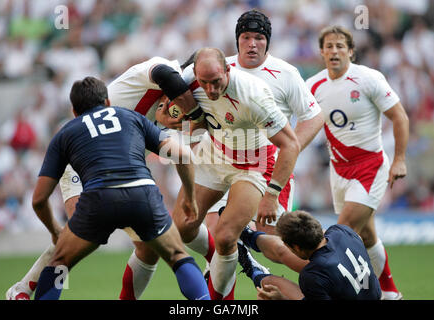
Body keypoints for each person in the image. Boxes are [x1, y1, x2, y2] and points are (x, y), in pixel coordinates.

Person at [5, 56, 201, 300]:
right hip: (85, 162)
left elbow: (39, 199)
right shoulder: (165, 72)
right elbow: (163, 78)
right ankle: (23, 289)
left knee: (140, 248)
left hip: (111, 170)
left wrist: (169, 123)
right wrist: (194, 113)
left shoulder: (161, 103)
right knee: (72, 239)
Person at [169, 47, 300, 300]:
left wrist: (271, 194)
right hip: (216, 153)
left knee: (226, 236)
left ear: (228, 70)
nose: (211, 90)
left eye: (216, 82)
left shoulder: (252, 93)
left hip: (254, 163)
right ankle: (233, 254)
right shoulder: (186, 81)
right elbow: (172, 108)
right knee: (183, 227)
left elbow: (290, 144)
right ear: (194, 74)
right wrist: (183, 125)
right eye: (204, 83)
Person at [305, 25, 409, 300]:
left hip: (369, 167)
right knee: (366, 237)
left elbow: (400, 117)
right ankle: (390, 293)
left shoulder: (368, 79)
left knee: (341, 236)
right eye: (329, 46)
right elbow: (299, 122)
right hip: (338, 171)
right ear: (322, 52)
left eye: (340, 46)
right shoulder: (312, 85)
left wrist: (398, 160)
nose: (334, 51)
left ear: (351, 51)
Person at [240, 210, 381, 300]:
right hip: (372, 295)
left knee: (272, 285)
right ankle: (247, 235)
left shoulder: (312, 276)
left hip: (326, 273)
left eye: (288, 245)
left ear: (296, 247)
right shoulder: (342, 231)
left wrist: (282, 299)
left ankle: (254, 269)